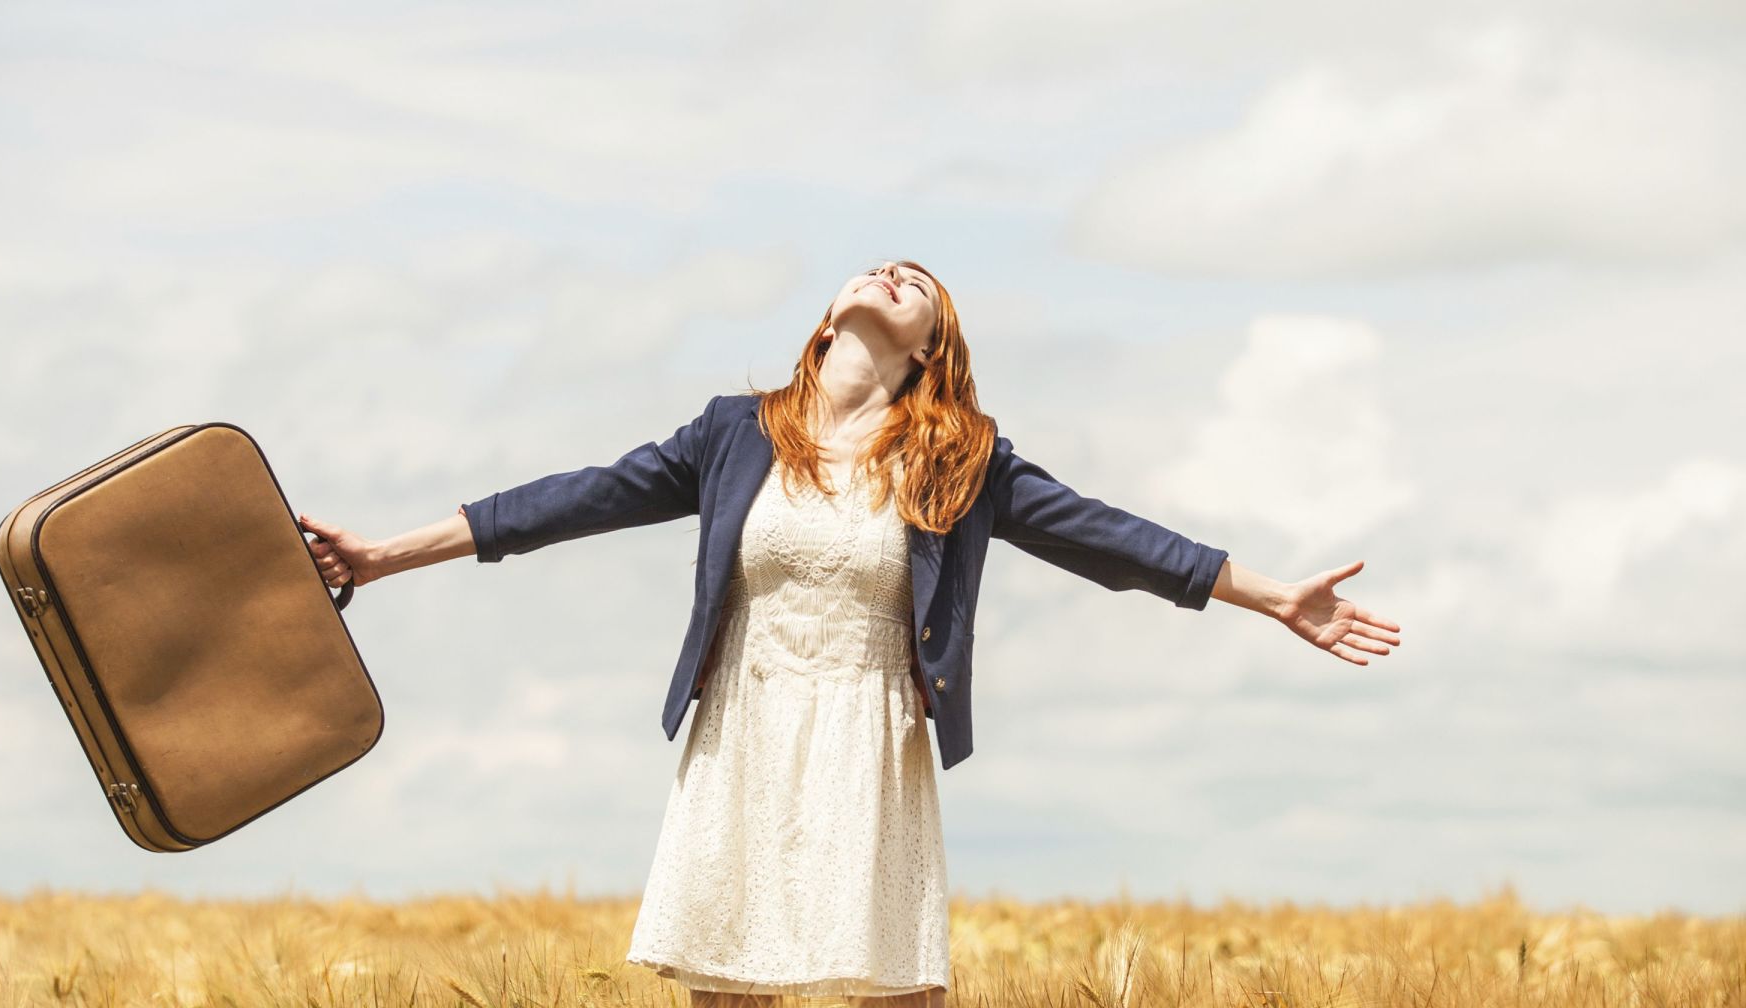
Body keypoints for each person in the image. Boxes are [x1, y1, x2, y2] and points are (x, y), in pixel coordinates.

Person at [296, 259, 1403, 1007]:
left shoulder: (962, 456)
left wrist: (1270, 598)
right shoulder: (731, 437)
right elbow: (572, 501)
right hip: (744, 733)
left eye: (916, 283)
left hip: (867, 738)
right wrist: (383, 555)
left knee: (896, 991)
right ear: (828, 320)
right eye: (878, 265)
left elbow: (1108, 539)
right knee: (726, 985)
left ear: (930, 349)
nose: (892, 272)